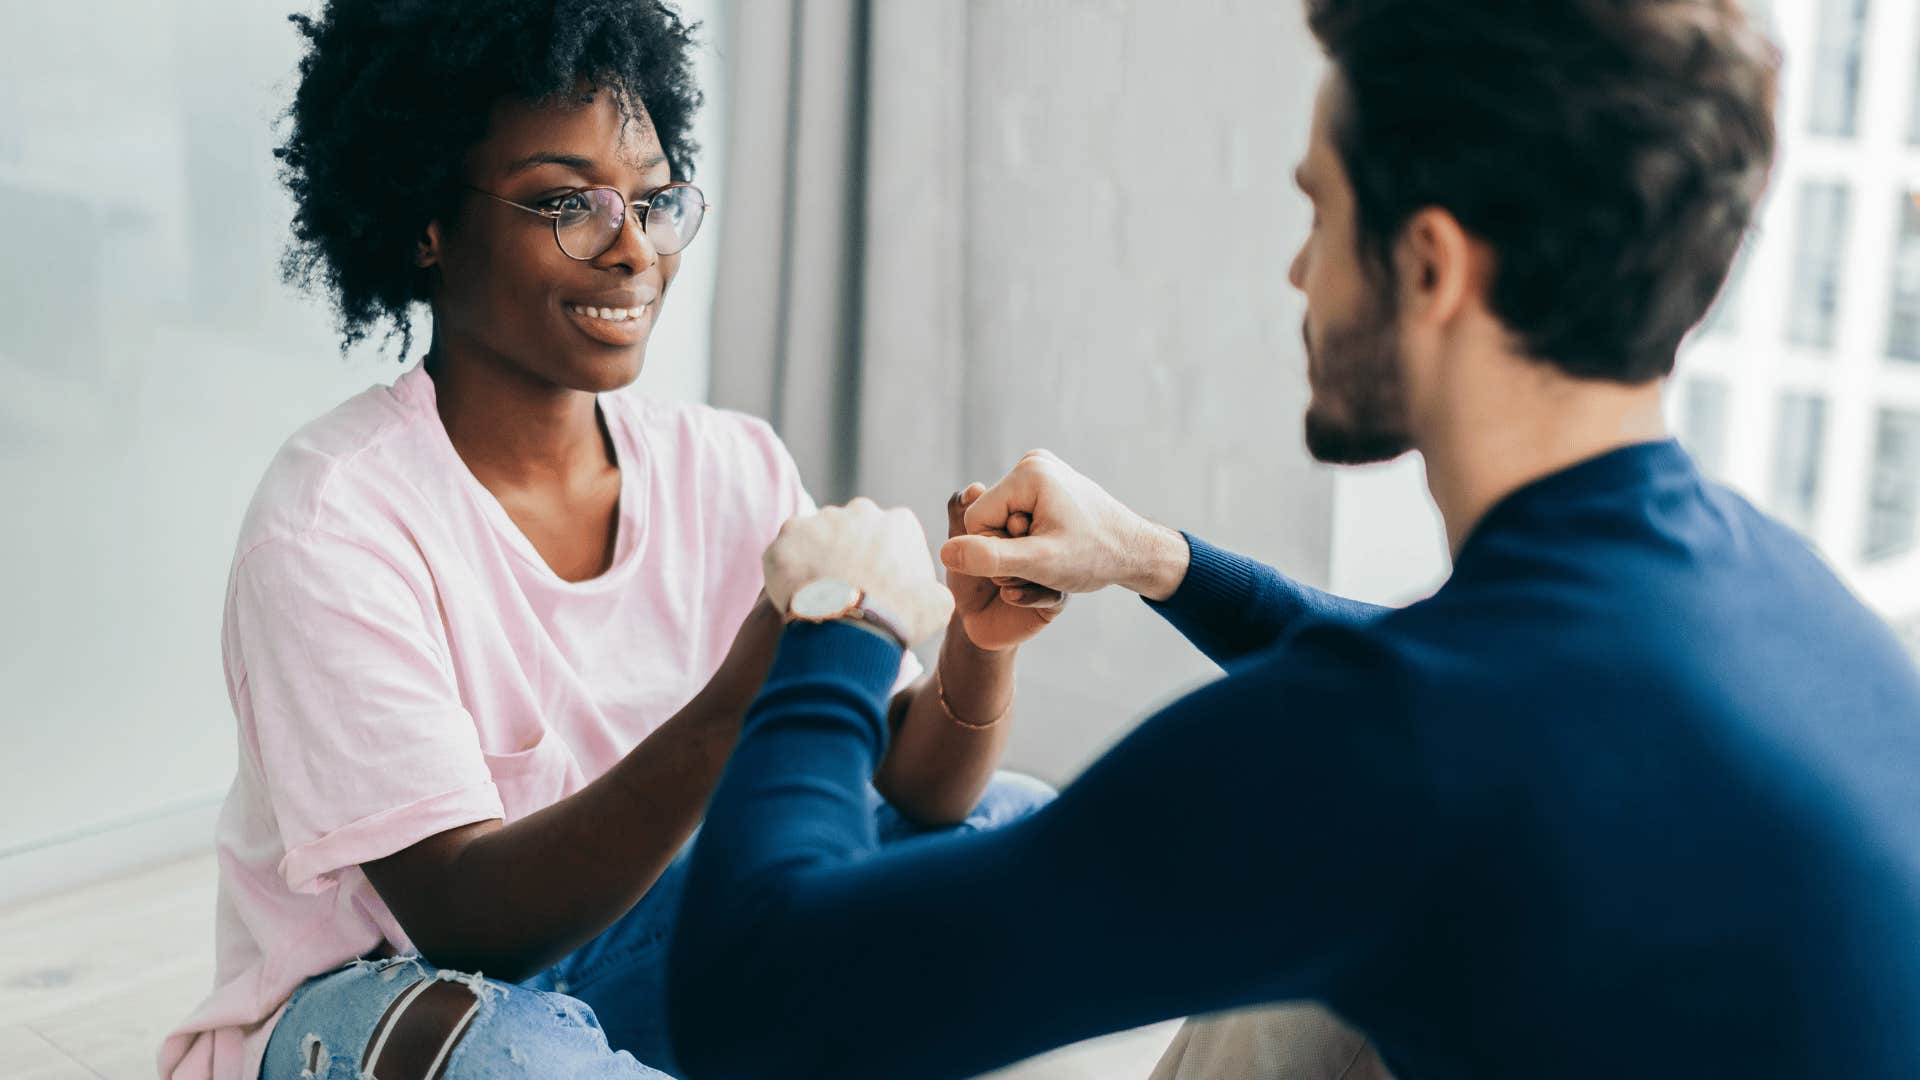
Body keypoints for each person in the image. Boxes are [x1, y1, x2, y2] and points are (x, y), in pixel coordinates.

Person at [667, 1, 1920, 1077]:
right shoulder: (1767, 584)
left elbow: (757, 1004)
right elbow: (1447, 683)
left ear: (1429, 267)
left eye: (1319, 213)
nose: (1297, 271)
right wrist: (1154, 559)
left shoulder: (1407, 750)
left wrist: (847, 619)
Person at [158, 2, 1056, 1077]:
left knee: (1015, 831)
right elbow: (465, 923)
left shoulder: (732, 466)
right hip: (405, 1006)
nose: (633, 251)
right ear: (425, 223)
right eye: (566, 204)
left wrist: (979, 640)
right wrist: (759, 671)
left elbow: (916, 789)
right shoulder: (332, 525)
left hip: (635, 955)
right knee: (498, 1051)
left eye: (655, 201)